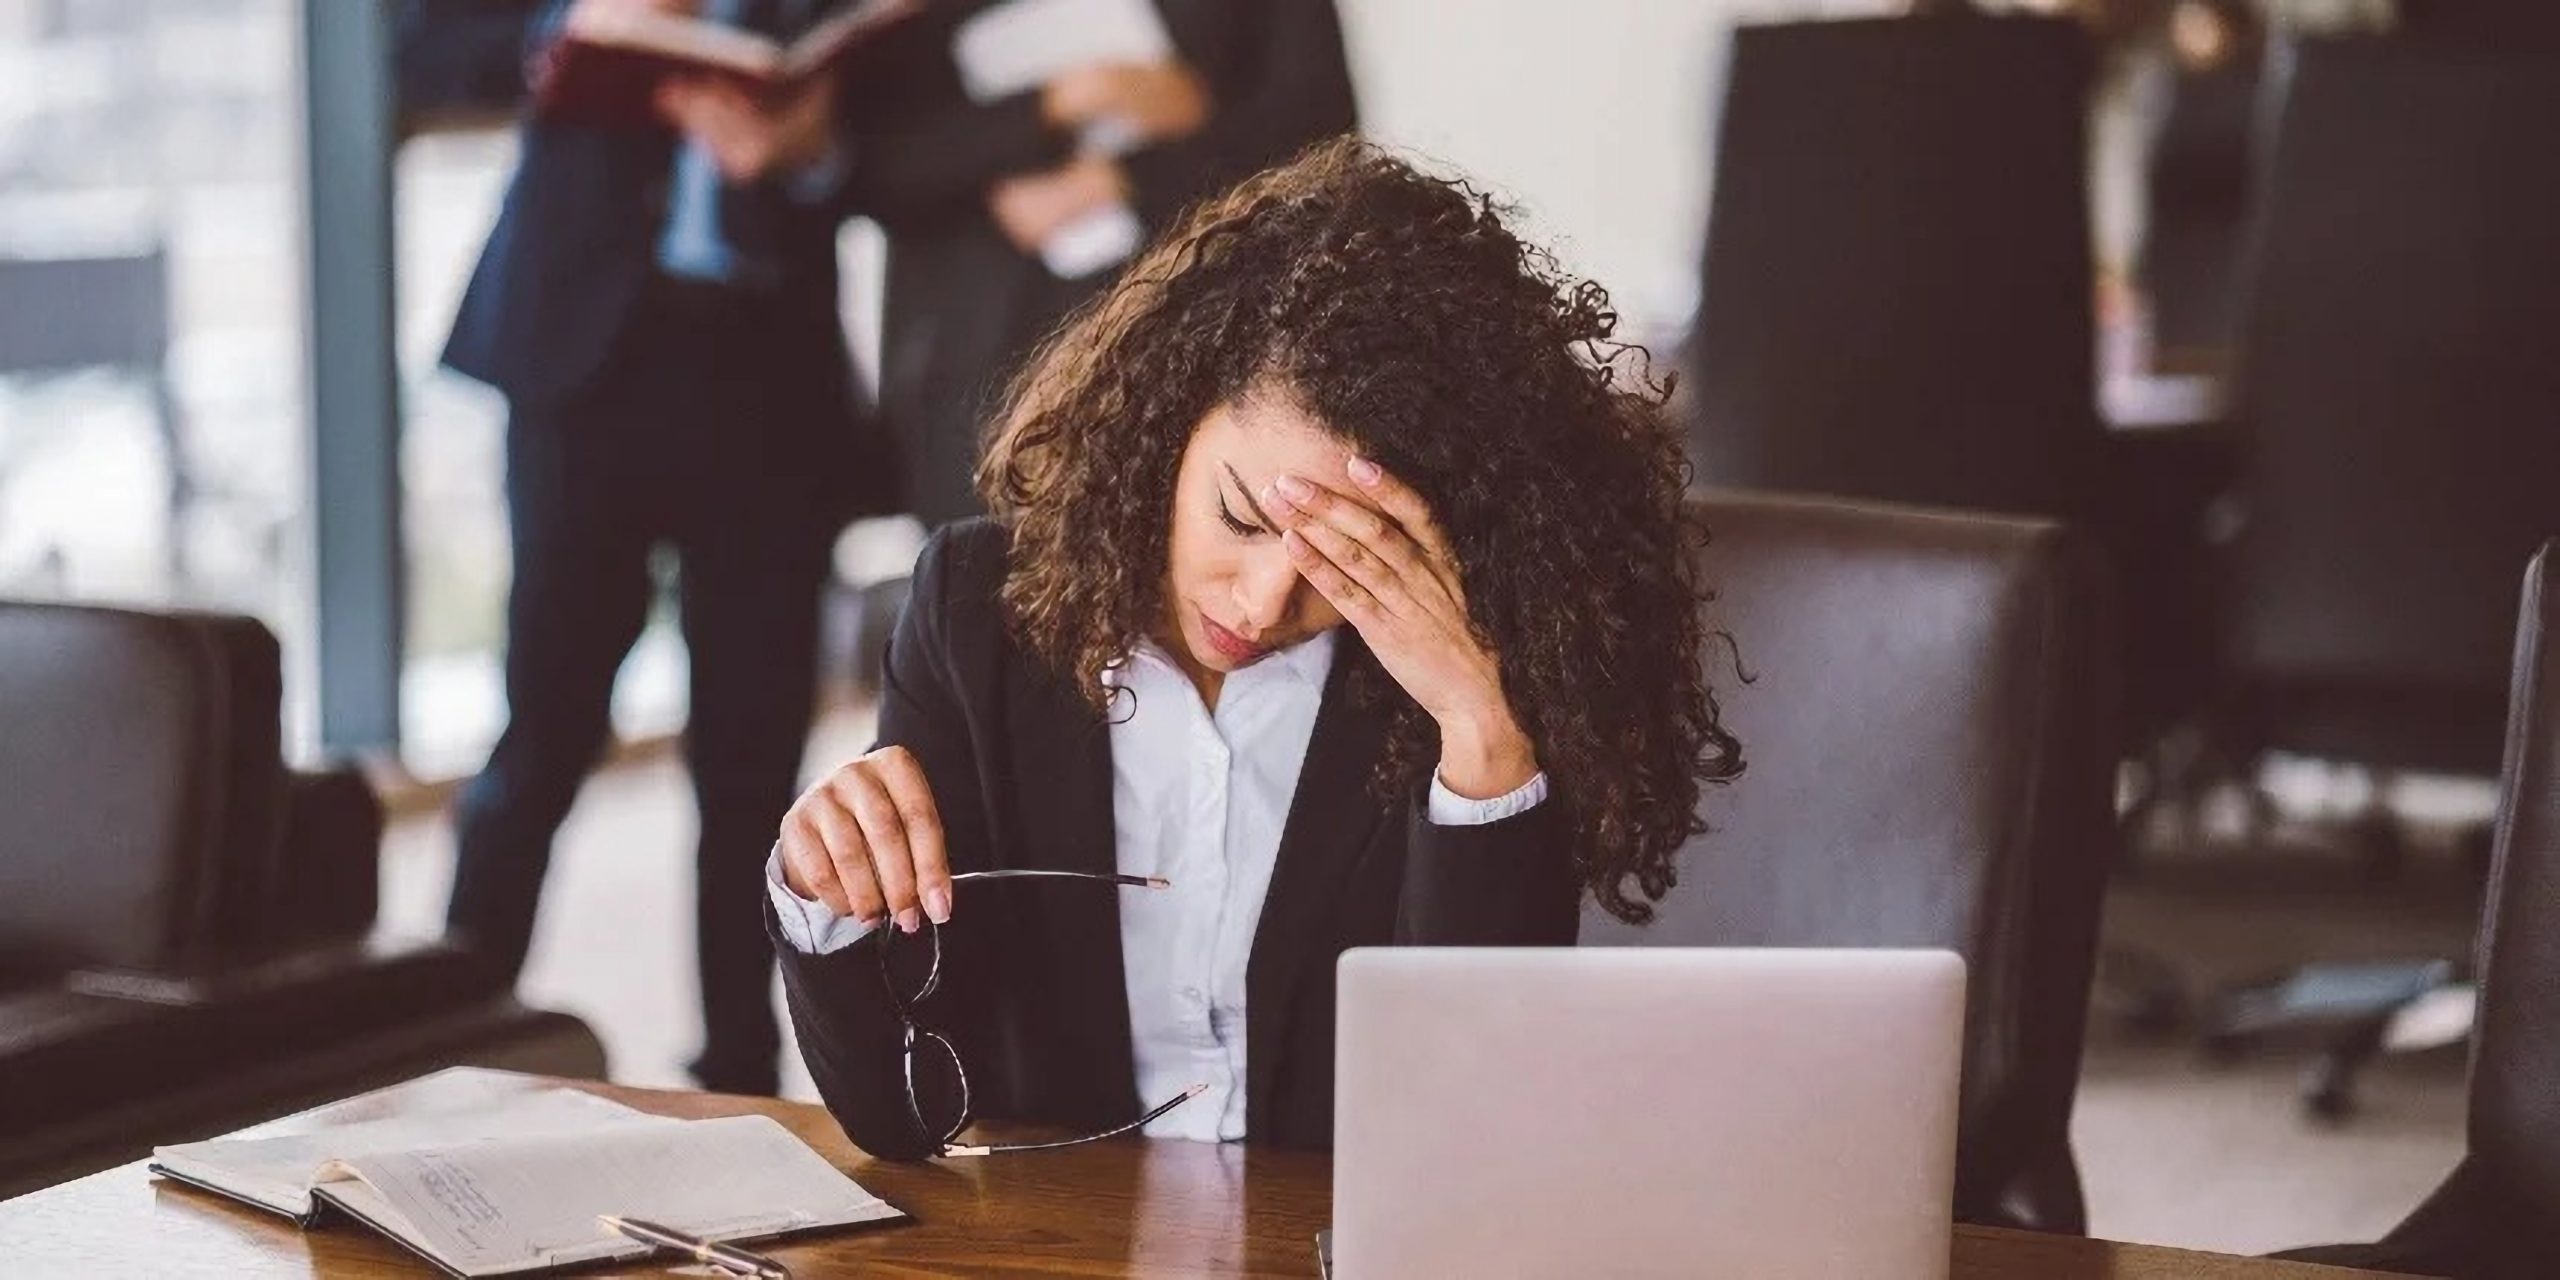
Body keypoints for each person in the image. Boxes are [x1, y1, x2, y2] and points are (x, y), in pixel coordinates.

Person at [766, 139, 1744, 1159]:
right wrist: (826, 890)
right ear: (1167, 423)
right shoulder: (977, 610)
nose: (1266, 599)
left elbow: (1474, 1130)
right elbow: (905, 1112)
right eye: (1239, 516)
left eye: (1346, 558)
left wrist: (1479, 732)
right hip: (1065, 1225)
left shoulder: (1465, 667)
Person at [397, 0, 897, 1096]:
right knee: (546, 723)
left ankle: (741, 1071)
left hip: (765, 378)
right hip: (587, 372)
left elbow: (893, 144)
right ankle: (443, 1038)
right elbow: (417, 48)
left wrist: (810, 151)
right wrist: (568, 23)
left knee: (753, 755)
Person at [833, 0, 1356, 525]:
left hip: (1214, 326)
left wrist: (1127, 177)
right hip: (989, 366)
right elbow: (872, 162)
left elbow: (1319, 124)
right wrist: (1054, 103)